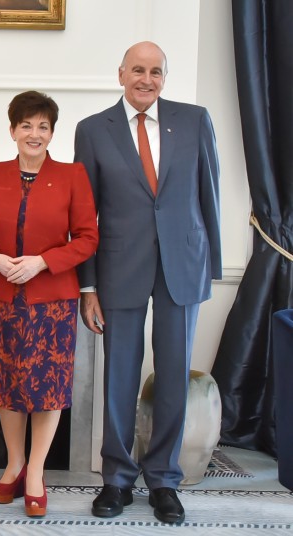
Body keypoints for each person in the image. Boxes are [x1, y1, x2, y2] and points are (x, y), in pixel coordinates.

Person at [74, 41, 221, 525]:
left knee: (175, 374)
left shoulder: (196, 120)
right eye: (138, 70)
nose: (146, 79)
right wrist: (87, 286)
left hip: (184, 264)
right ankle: (116, 478)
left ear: (164, 77)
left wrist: (211, 267)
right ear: (120, 74)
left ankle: (163, 479)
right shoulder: (93, 130)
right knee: (120, 373)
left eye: (155, 71)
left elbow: (210, 196)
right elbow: (85, 217)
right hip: (119, 265)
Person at [0, 91, 99, 517]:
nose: (34, 134)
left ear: (52, 133)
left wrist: (43, 262)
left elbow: (87, 238)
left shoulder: (73, 175)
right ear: (12, 130)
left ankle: (37, 471)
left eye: (43, 126)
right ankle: (14, 463)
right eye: (26, 125)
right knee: (6, 387)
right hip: (3, 298)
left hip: (51, 303)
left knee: (47, 389)